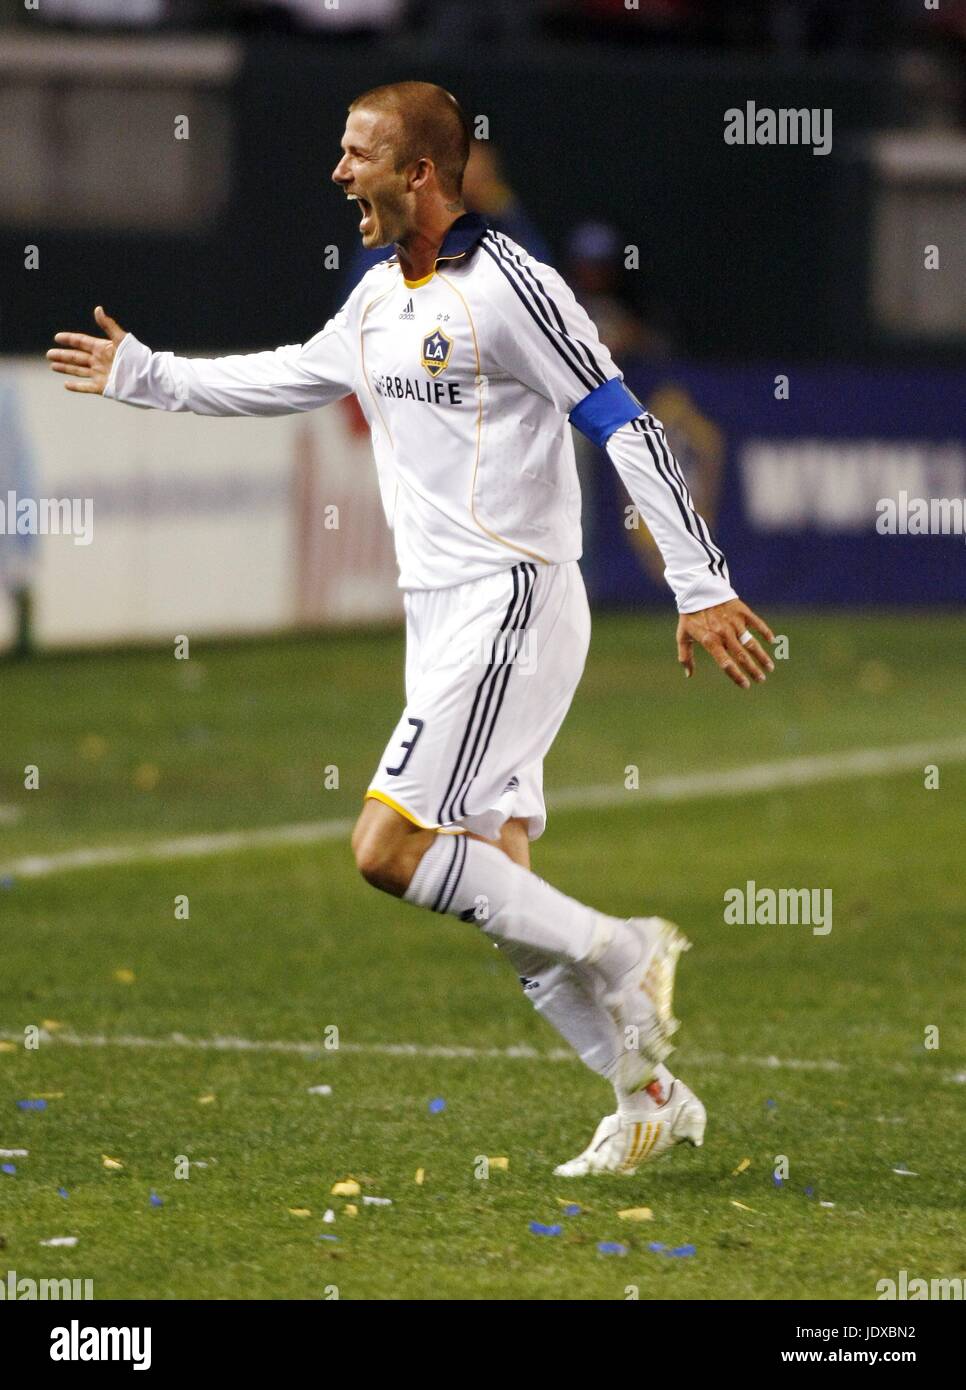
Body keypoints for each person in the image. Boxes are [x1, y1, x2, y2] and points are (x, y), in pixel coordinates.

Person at [46, 81, 775, 1176]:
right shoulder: (380, 291)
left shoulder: (515, 290)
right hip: (440, 617)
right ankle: (649, 1096)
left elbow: (626, 426)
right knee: (504, 890)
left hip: (514, 598)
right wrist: (150, 377)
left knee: (387, 847)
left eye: (357, 154)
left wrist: (698, 578)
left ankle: (624, 949)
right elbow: (295, 374)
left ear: (419, 172)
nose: (339, 173)